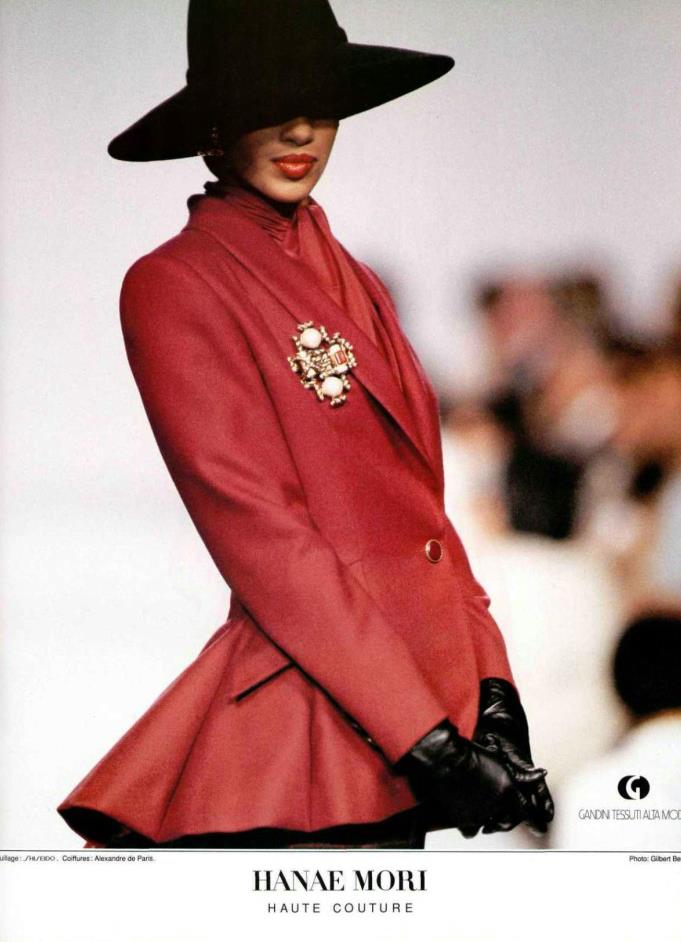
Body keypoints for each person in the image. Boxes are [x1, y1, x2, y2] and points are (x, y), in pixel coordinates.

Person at [57, 0, 553, 849]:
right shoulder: (176, 284)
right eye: (267, 102)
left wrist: (493, 691)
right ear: (214, 126)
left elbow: (419, 520)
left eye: (319, 101)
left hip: (406, 714)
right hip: (313, 728)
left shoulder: (356, 277)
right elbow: (261, 533)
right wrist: (424, 739)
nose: (300, 128)